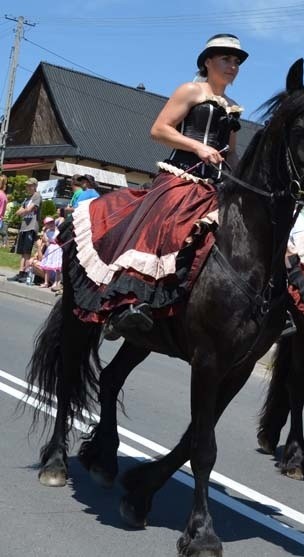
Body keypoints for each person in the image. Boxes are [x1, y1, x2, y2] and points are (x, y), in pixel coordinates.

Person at [79, 33, 247, 338]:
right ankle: (127, 304)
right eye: (226, 59)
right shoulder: (191, 90)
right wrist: (197, 147)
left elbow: (231, 151)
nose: (232, 66)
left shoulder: (234, 106)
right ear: (208, 61)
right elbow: (158, 130)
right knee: (166, 223)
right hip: (180, 176)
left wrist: (241, 178)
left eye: (236, 61)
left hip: (215, 185)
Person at [9, 178, 42, 282]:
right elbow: (19, 211)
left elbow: (29, 209)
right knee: (22, 252)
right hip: (24, 227)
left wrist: (24, 211)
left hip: (31, 226)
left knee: (27, 251)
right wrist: (23, 211)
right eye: (27, 185)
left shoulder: (37, 196)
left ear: (35, 186)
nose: (27, 187)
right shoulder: (27, 198)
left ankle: (26, 273)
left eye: (30, 185)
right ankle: (20, 272)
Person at [32, 216, 62, 289]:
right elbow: (47, 242)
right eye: (48, 223)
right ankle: (46, 282)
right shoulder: (47, 232)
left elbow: (61, 220)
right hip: (50, 248)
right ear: (46, 225)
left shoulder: (58, 231)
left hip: (57, 248)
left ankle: (56, 281)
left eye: (52, 222)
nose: (51, 224)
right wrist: (44, 232)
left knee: (57, 266)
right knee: (47, 266)